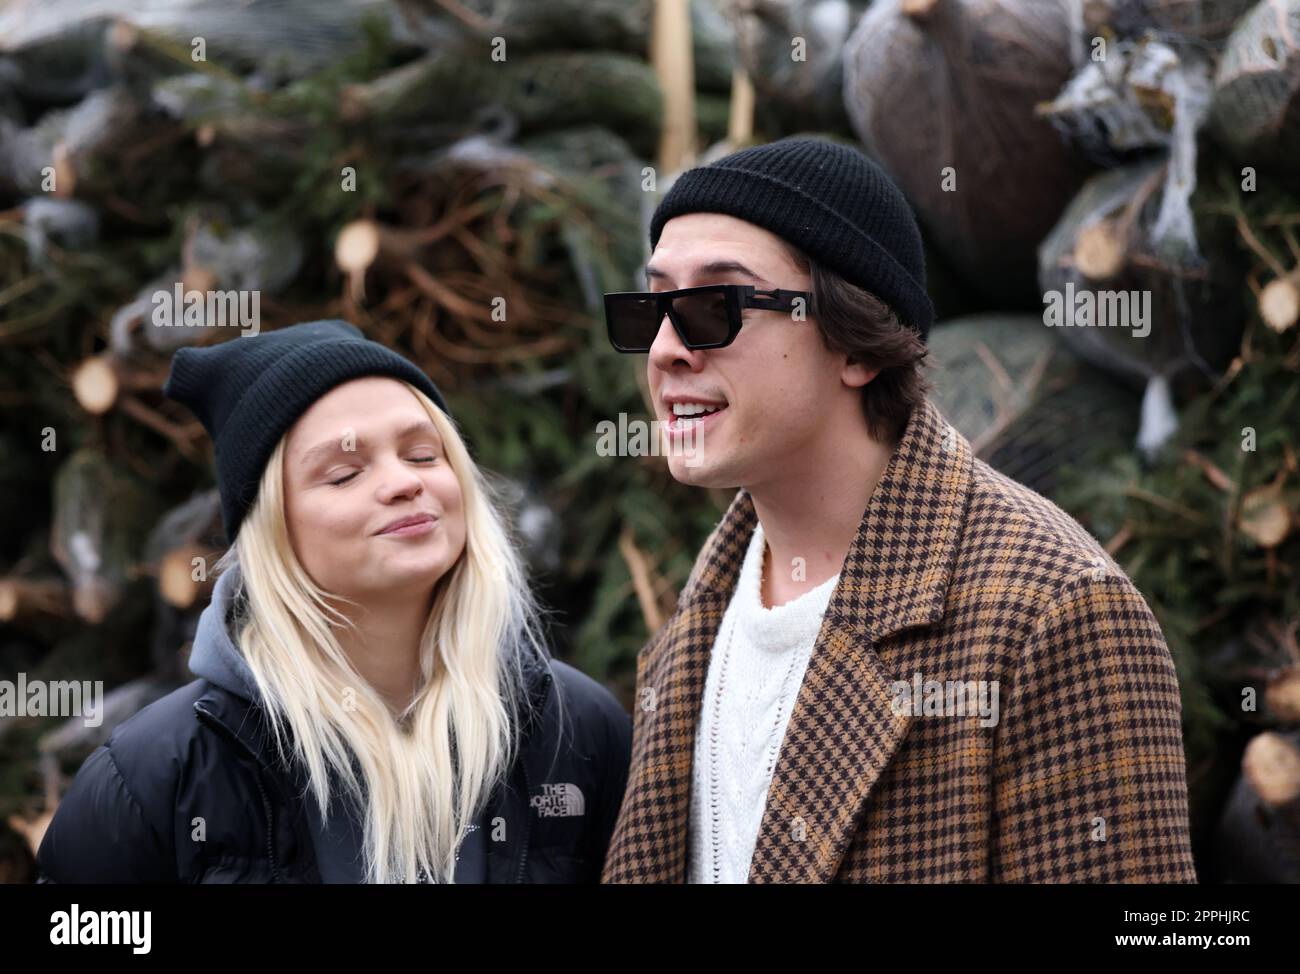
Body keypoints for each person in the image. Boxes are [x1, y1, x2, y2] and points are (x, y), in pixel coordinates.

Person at [600, 136, 1197, 883]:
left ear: (859, 346)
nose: (665, 350)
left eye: (713, 307)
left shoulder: (1054, 614)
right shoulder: (709, 603)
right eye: (652, 307)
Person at [37, 320, 631, 883]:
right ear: (274, 530)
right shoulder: (154, 776)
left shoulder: (576, 732)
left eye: (424, 454)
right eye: (345, 473)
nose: (404, 482)